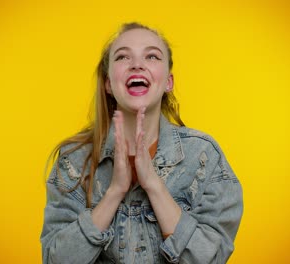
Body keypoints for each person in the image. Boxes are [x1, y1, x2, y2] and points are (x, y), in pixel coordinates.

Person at [40, 22, 243, 264]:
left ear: (168, 82)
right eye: (123, 56)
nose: (137, 64)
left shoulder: (203, 156)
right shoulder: (73, 160)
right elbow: (56, 260)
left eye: (152, 56)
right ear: (108, 84)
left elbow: (211, 259)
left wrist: (154, 186)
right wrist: (115, 191)